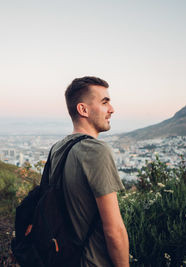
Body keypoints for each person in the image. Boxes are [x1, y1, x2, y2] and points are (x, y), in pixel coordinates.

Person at [48, 76, 129, 267]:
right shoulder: (96, 150)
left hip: (62, 258)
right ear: (83, 109)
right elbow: (114, 229)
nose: (112, 109)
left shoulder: (58, 148)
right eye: (104, 102)